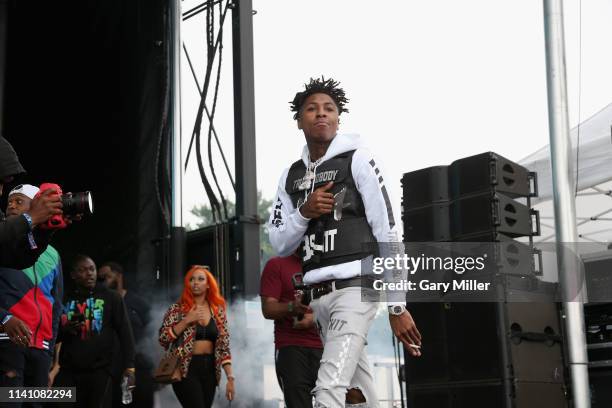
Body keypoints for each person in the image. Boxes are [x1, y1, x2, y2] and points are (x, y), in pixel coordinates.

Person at [267, 77, 422, 408]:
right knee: (358, 396)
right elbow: (279, 242)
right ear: (299, 120)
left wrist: (397, 304)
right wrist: (304, 213)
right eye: (312, 109)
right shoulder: (290, 175)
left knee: (327, 390)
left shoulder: (358, 159)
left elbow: (388, 232)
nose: (321, 114)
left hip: (357, 290)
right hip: (318, 300)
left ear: (338, 118)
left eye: (329, 109)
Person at [0, 184, 63, 406]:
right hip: (6, 342)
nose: (11, 206)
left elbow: (56, 305)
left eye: (19, 201)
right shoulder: (3, 245)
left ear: (36, 205)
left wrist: (49, 347)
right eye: (9, 201)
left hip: (41, 350)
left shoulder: (52, 253)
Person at [49, 254, 135, 408]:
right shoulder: (64, 298)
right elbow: (52, 337)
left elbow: (125, 333)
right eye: (83, 270)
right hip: (68, 371)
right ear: (73, 275)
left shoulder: (112, 297)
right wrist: (66, 329)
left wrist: (130, 367)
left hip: (100, 372)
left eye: (92, 269)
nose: (89, 273)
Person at [158, 266, 234, 408]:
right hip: (186, 369)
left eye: (200, 279)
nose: (195, 283)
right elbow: (163, 338)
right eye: (191, 279)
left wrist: (230, 378)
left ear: (208, 285)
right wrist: (186, 320)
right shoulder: (177, 309)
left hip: (211, 371)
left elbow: (224, 347)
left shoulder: (217, 312)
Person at [260, 254, 323, 408]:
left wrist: (314, 319)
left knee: (335, 400)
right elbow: (267, 309)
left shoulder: (328, 261)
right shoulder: (276, 264)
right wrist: (291, 308)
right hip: (291, 347)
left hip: (328, 345)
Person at [0, 136, 62, 269]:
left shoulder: (53, 255)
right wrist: (30, 217)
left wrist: (44, 231)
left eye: (19, 201)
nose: (1, 192)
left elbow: (16, 258)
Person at [98, 261, 154, 408]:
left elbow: (154, 334)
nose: (103, 282)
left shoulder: (138, 304)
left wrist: (156, 368)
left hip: (140, 368)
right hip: (111, 369)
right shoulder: (100, 305)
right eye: (100, 279)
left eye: (106, 277)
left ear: (118, 277)